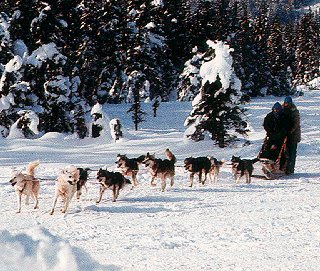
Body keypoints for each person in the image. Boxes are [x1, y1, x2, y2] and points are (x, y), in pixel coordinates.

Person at [282, 96, 301, 174]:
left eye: (288, 103)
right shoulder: (282, 109)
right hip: (284, 134)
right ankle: (284, 168)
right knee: (284, 152)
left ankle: (291, 169)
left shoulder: (294, 111)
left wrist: (291, 131)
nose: (286, 104)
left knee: (292, 152)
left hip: (293, 135)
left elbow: (296, 123)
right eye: (286, 103)